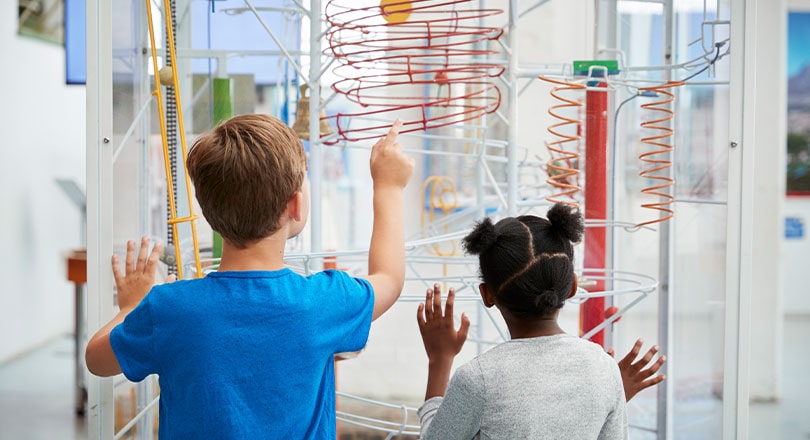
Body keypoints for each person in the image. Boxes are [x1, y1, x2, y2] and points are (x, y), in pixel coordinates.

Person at [85, 115, 414, 438]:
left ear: (209, 212)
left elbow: (96, 360)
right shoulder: (321, 303)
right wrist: (388, 187)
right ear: (296, 206)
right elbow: (388, 277)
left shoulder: (170, 309)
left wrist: (131, 306)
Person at [416, 203, 665, 439]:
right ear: (572, 287)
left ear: (487, 294)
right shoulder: (605, 369)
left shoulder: (478, 380)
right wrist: (613, 394)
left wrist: (440, 360)